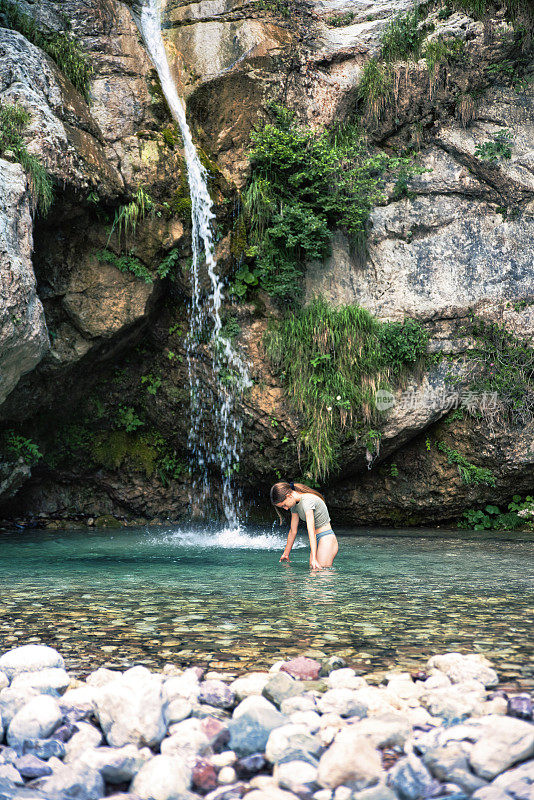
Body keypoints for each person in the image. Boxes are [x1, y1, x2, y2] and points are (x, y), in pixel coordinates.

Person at [270, 481, 339, 570]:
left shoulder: (307, 501)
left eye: (284, 505)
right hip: (317, 539)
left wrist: (314, 558)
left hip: (326, 538)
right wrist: (286, 554)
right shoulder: (294, 505)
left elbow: (311, 530)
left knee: (321, 575)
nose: (286, 508)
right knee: (313, 575)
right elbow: (293, 530)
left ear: (289, 496)